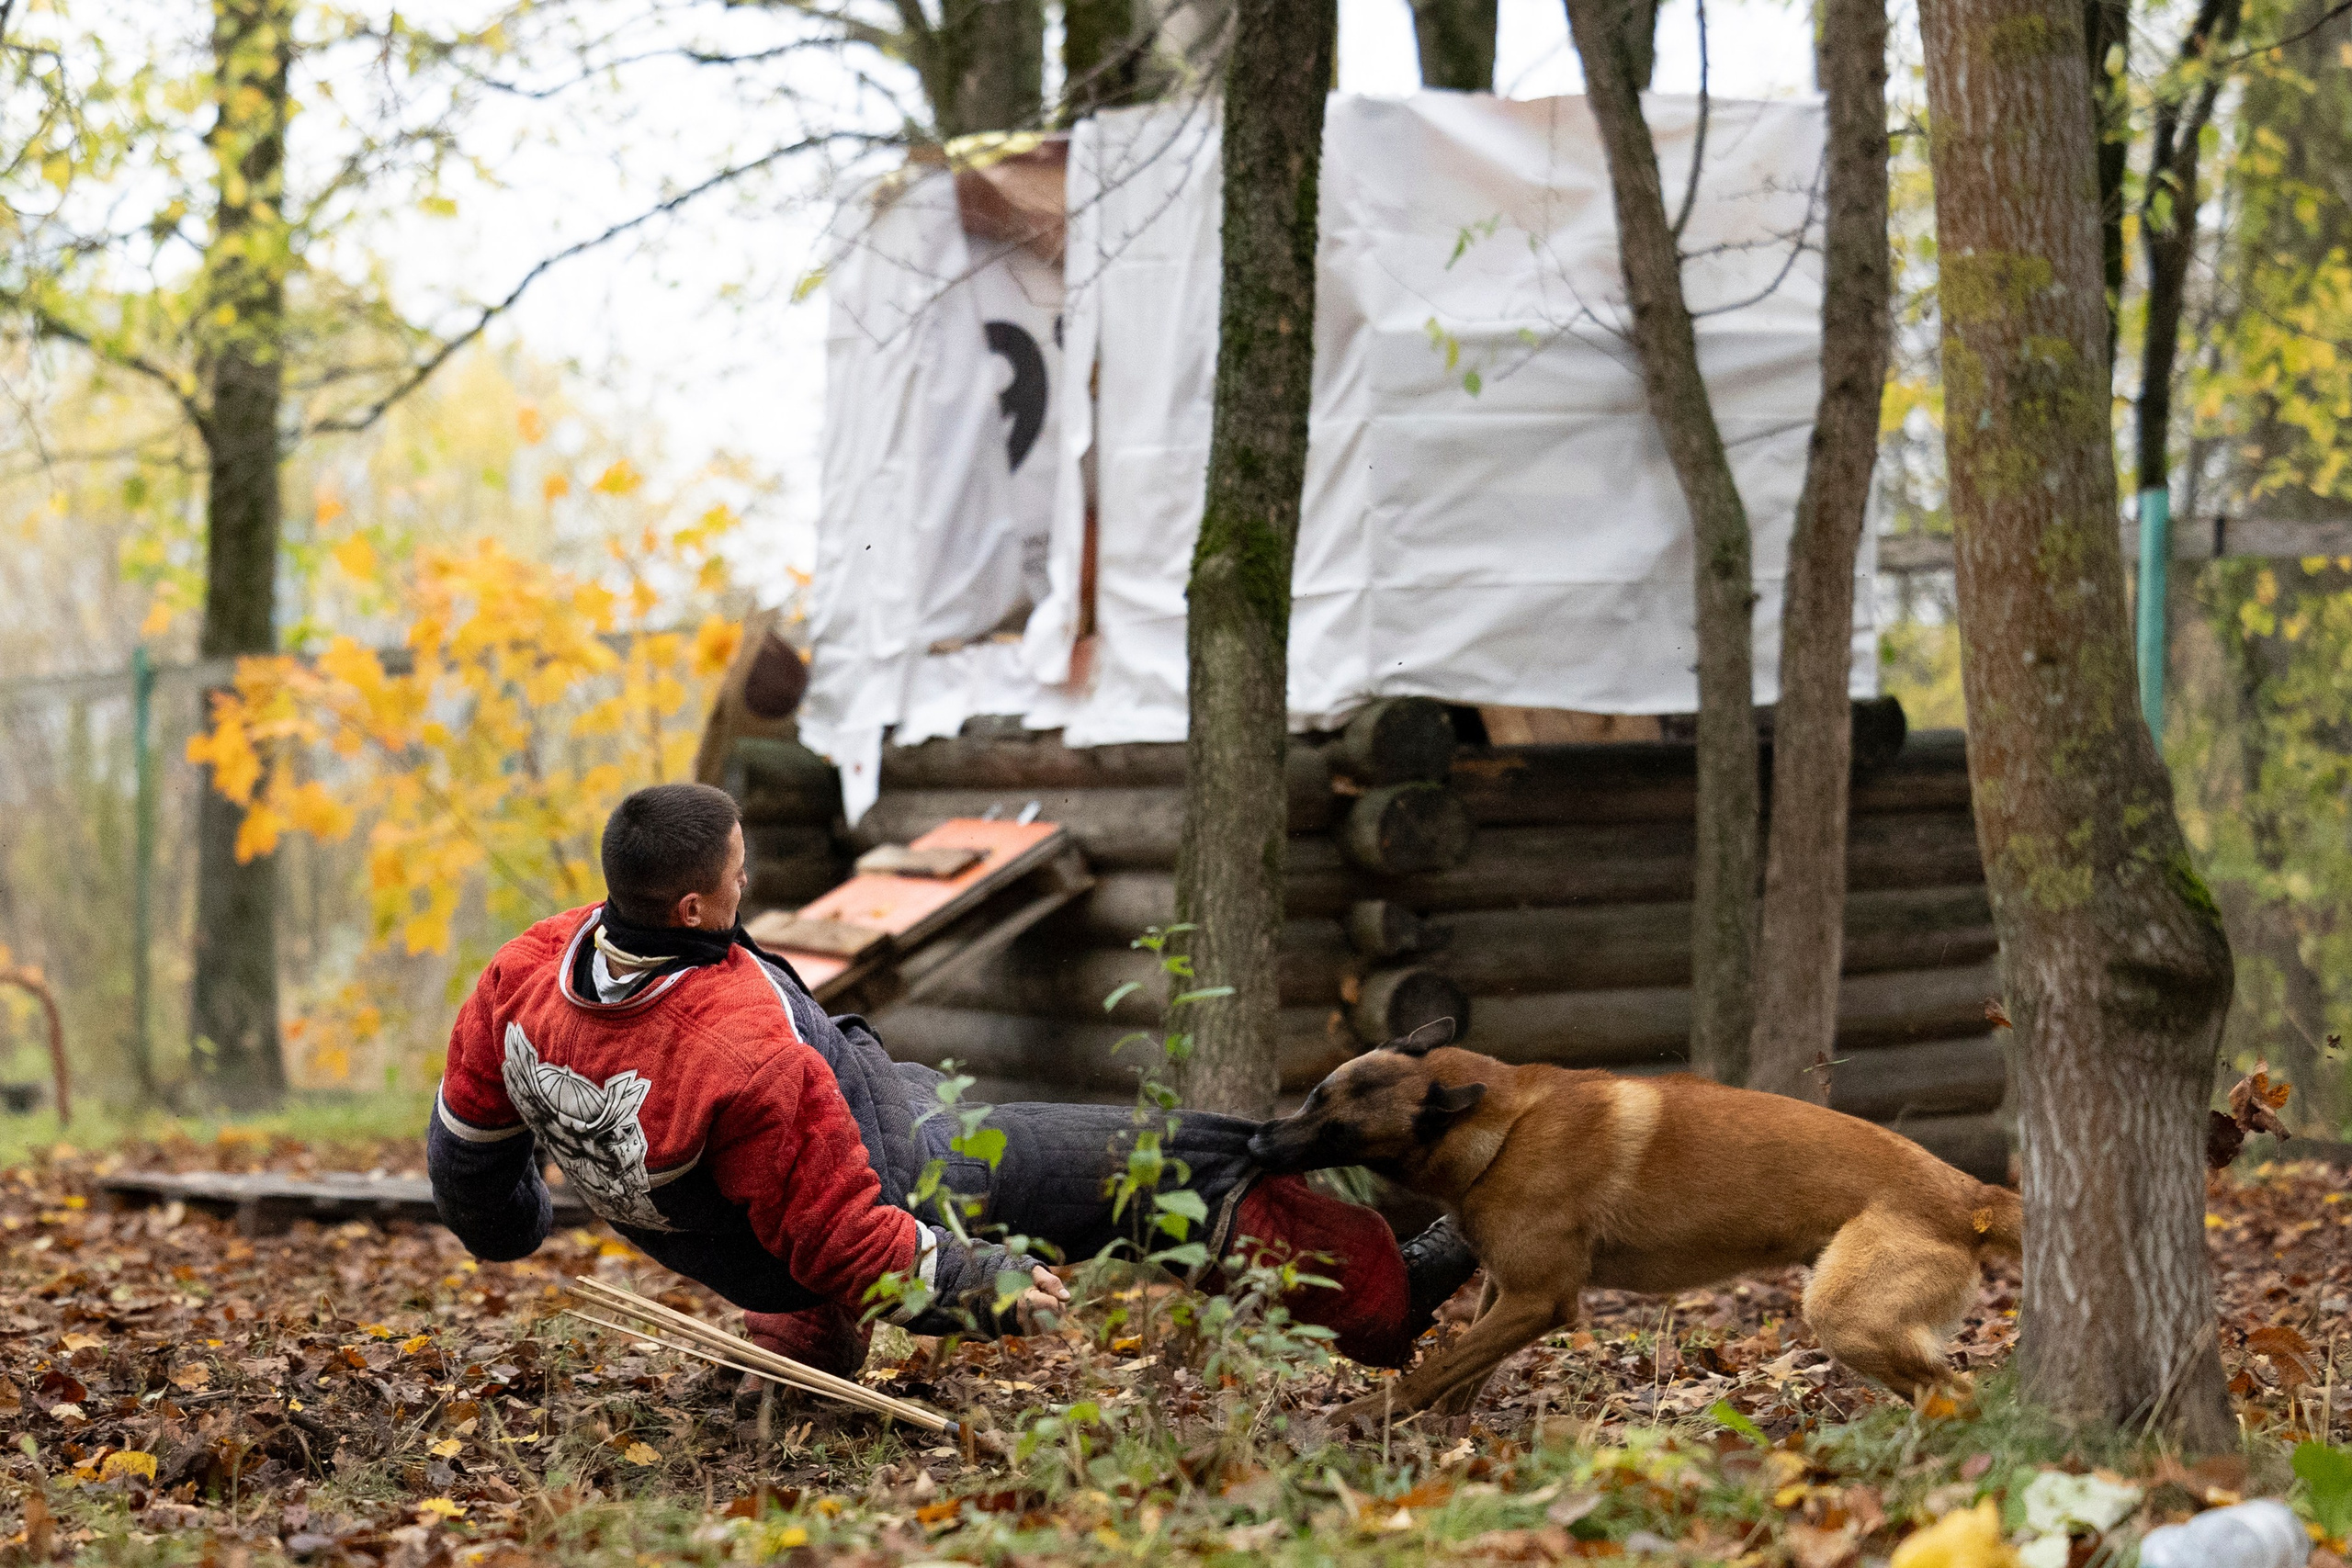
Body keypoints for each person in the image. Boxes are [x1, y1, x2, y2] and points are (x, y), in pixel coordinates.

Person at [427, 782, 1477, 1377]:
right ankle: (1391, 1296)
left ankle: (805, 1348)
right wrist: (977, 1285)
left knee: (879, 1109)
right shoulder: (739, 1047)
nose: (750, 879)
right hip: (890, 1185)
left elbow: (469, 1148)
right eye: (739, 872)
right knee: (1180, 1162)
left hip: (769, 1197)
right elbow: (841, 1236)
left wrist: (509, 1228)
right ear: (693, 908)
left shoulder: (529, 969)